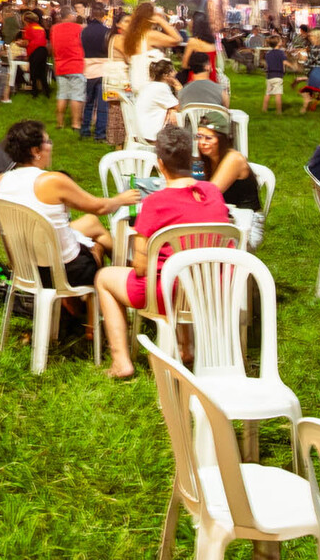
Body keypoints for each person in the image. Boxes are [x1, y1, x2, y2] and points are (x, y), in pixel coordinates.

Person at [93, 123, 228, 380]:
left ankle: (121, 360)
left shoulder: (154, 203)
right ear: (192, 159)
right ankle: (185, 348)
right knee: (181, 266)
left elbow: (142, 268)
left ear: (160, 164)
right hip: (211, 287)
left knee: (104, 279)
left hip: (167, 293)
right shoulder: (212, 192)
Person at [0, 118, 136, 313]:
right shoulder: (51, 181)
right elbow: (100, 207)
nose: (51, 146)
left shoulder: (1, 181)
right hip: (62, 272)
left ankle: (126, 277)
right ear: (35, 151)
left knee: (91, 223)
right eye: (48, 142)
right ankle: (97, 313)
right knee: (97, 246)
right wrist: (122, 198)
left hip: (24, 267)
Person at [193, 119, 263, 248]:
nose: (202, 143)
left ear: (222, 139)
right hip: (222, 216)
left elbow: (208, 193)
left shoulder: (233, 159)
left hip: (245, 225)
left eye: (208, 138)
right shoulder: (206, 160)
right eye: (199, 137)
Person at [79, 4, 114, 142]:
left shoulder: (84, 31)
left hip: (88, 68)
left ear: (92, 14)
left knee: (88, 102)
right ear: (103, 15)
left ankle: (85, 130)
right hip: (104, 69)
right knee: (102, 104)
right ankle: (100, 134)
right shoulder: (107, 32)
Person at [50, 5, 86, 130]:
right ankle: (76, 123)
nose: (76, 16)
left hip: (60, 65)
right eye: (75, 14)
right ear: (70, 15)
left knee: (62, 94)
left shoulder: (54, 28)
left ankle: (60, 123)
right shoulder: (79, 28)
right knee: (77, 95)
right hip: (76, 64)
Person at [132, 59, 181, 141]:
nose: (176, 72)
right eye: (173, 70)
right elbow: (180, 107)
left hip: (138, 132)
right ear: (166, 75)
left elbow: (172, 106)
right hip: (149, 134)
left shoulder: (149, 86)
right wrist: (178, 86)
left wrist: (172, 110)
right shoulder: (161, 88)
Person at [20, 11, 50, 98]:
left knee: (33, 73)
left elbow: (26, 42)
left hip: (35, 51)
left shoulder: (28, 28)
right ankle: (47, 91)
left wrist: (19, 43)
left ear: (26, 20)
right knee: (42, 72)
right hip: (43, 50)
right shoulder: (40, 28)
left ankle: (35, 92)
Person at [260, 35, 288, 114]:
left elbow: (267, 63)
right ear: (278, 43)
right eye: (280, 40)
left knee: (267, 93)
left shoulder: (268, 54)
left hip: (269, 76)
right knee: (278, 94)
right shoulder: (281, 53)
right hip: (278, 76)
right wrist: (292, 65)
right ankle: (279, 111)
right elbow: (284, 62)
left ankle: (264, 109)